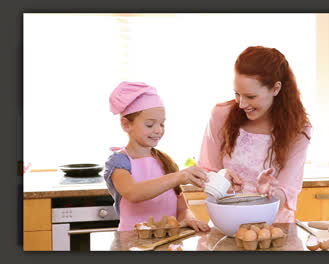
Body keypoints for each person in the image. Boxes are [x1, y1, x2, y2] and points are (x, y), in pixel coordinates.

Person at [199, 46, 312, 223]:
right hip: (226, 224)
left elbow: (287, 190)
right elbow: (207, 172)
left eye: (251, 97)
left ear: (275, 88)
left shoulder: (298, 129)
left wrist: (270, 195)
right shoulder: (221, 115)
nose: (242, 104)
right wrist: (221, 178)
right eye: (237, 94)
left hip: (274, 228)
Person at [104, 81, 210, 232]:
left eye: (162, 124)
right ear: (126, 124)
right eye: (150, 124)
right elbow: (133, 192)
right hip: (133, 242)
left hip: (169, 242)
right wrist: (178, 177)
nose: (158, 130)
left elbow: (182, 208)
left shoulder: (164, 161)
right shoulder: (119, 161)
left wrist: (188, 218)